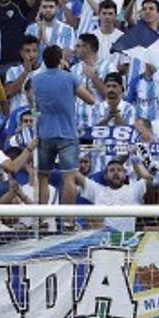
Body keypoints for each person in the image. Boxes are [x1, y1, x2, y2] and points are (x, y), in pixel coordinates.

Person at [31, 44, 95, 205]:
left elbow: (33, 104)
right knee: (69, 176)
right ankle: (68, 221)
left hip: (45, 133)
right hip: (67, 133)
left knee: (43, 177)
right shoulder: (70, 77)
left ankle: (43, 218)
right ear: (60, 59)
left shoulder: (35, 80)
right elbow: (90, 100)